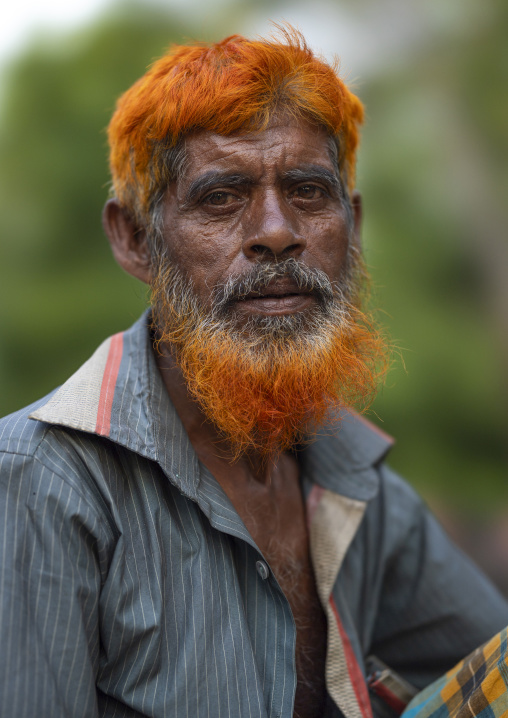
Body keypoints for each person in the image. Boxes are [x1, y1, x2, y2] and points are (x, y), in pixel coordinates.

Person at [0, 27, 506, 718]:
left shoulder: (349, 477)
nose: (276, 230)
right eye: (221, 197)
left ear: (351, 228)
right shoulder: (43, 481)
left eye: (307, 192)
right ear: (136, 240)